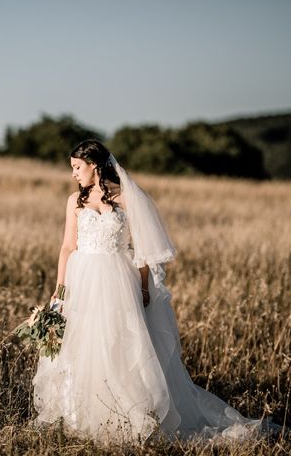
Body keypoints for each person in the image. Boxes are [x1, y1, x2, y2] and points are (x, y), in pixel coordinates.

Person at [31, 139, 279, 445]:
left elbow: (143, 250)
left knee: (119, 342)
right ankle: (78, 413)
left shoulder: (126, 199)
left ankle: (127, 411)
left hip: (117, 279)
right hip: (82, 279)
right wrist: (60, 289)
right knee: (84, 343)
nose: (74, 174)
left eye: (77, 167)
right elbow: (68, 246)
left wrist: (145, 286)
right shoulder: (75, 201)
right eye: (72, 168)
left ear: (94, 166)